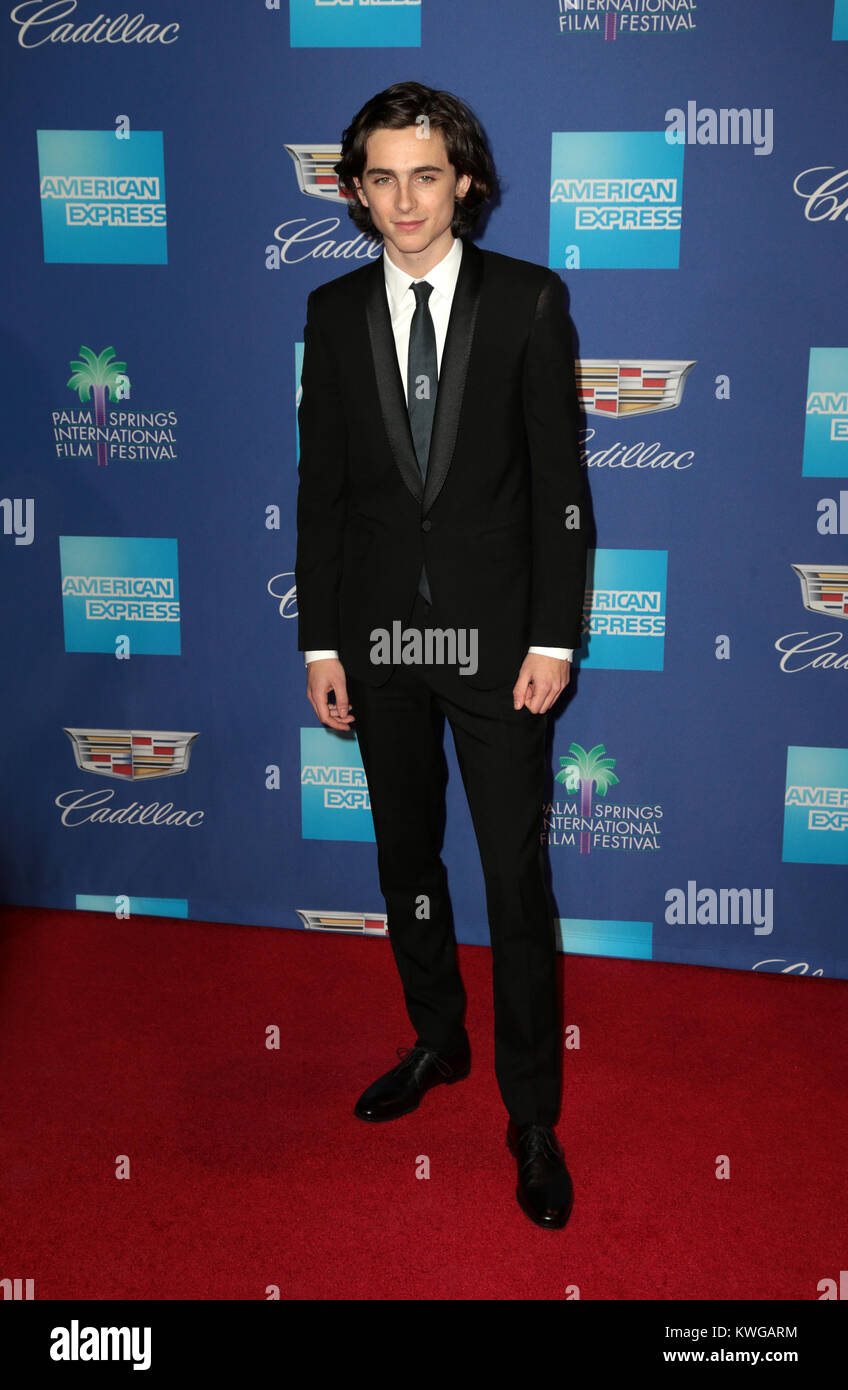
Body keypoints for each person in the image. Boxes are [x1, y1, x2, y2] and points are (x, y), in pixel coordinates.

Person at [295, 81, 586, 1230]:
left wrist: (553, 636)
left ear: (463, 178)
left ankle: (529, 1115)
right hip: (377, 643)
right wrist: (322, 639)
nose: (403, 200)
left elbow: (561, 493)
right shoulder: (329, 312)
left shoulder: (527, 302)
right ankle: (435, 1040)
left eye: (425, 174)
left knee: (514, 883)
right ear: (356, 189)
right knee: (405, 862)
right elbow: (321, 498)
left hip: (499, 646)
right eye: (380, 177)